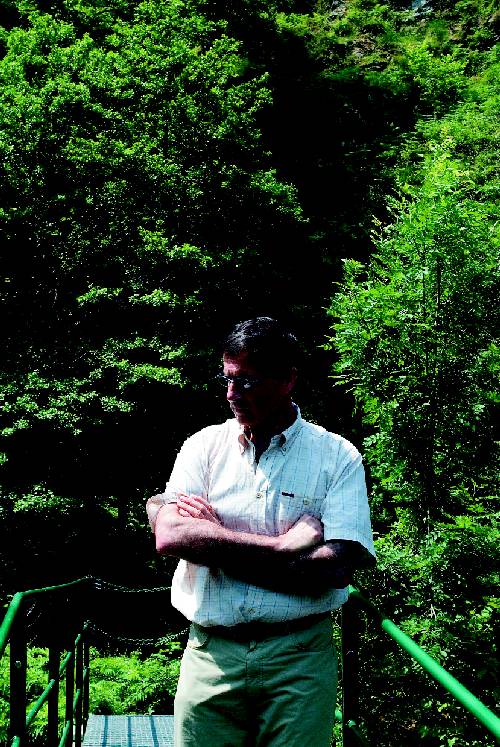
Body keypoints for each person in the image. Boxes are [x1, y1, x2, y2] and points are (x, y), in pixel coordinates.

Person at [146, 317, 375, 747]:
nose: (231, 394)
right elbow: (170, 537)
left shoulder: (337, 456)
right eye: (228, 379)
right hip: (211, 655)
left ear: (288, 380)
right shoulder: (203, 446)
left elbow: (336, 569)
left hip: (299, 659)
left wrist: (213, 541)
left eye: (247, 381)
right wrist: (284, 547)